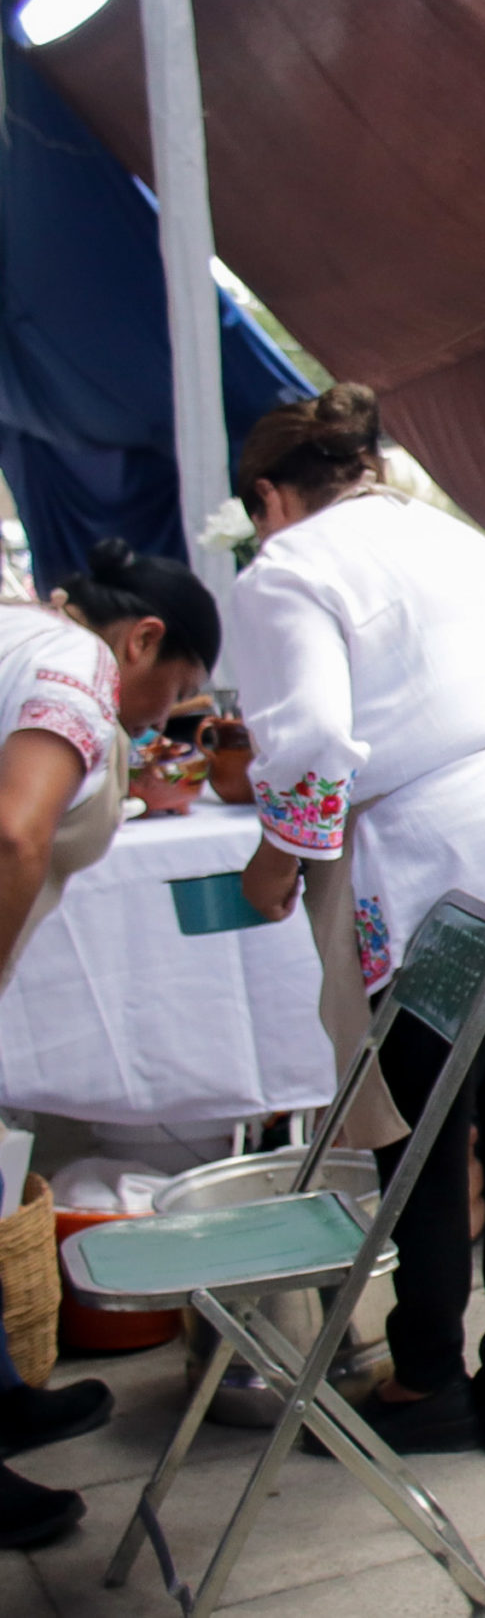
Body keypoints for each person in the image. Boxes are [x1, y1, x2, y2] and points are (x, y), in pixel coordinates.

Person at [226, 386, 485, 1460]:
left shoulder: (287, 569)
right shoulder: (449, 537)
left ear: (271, 496)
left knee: (416, 1139)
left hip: (424, 875)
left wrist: (280, 860)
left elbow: (315, 737)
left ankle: (426, 1376)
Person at [0, 538, 221, 1547]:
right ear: (141, 640)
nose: (156, 716)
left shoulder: (23, 633)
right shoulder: (78, 668)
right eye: (171, 688)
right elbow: (15, 831)